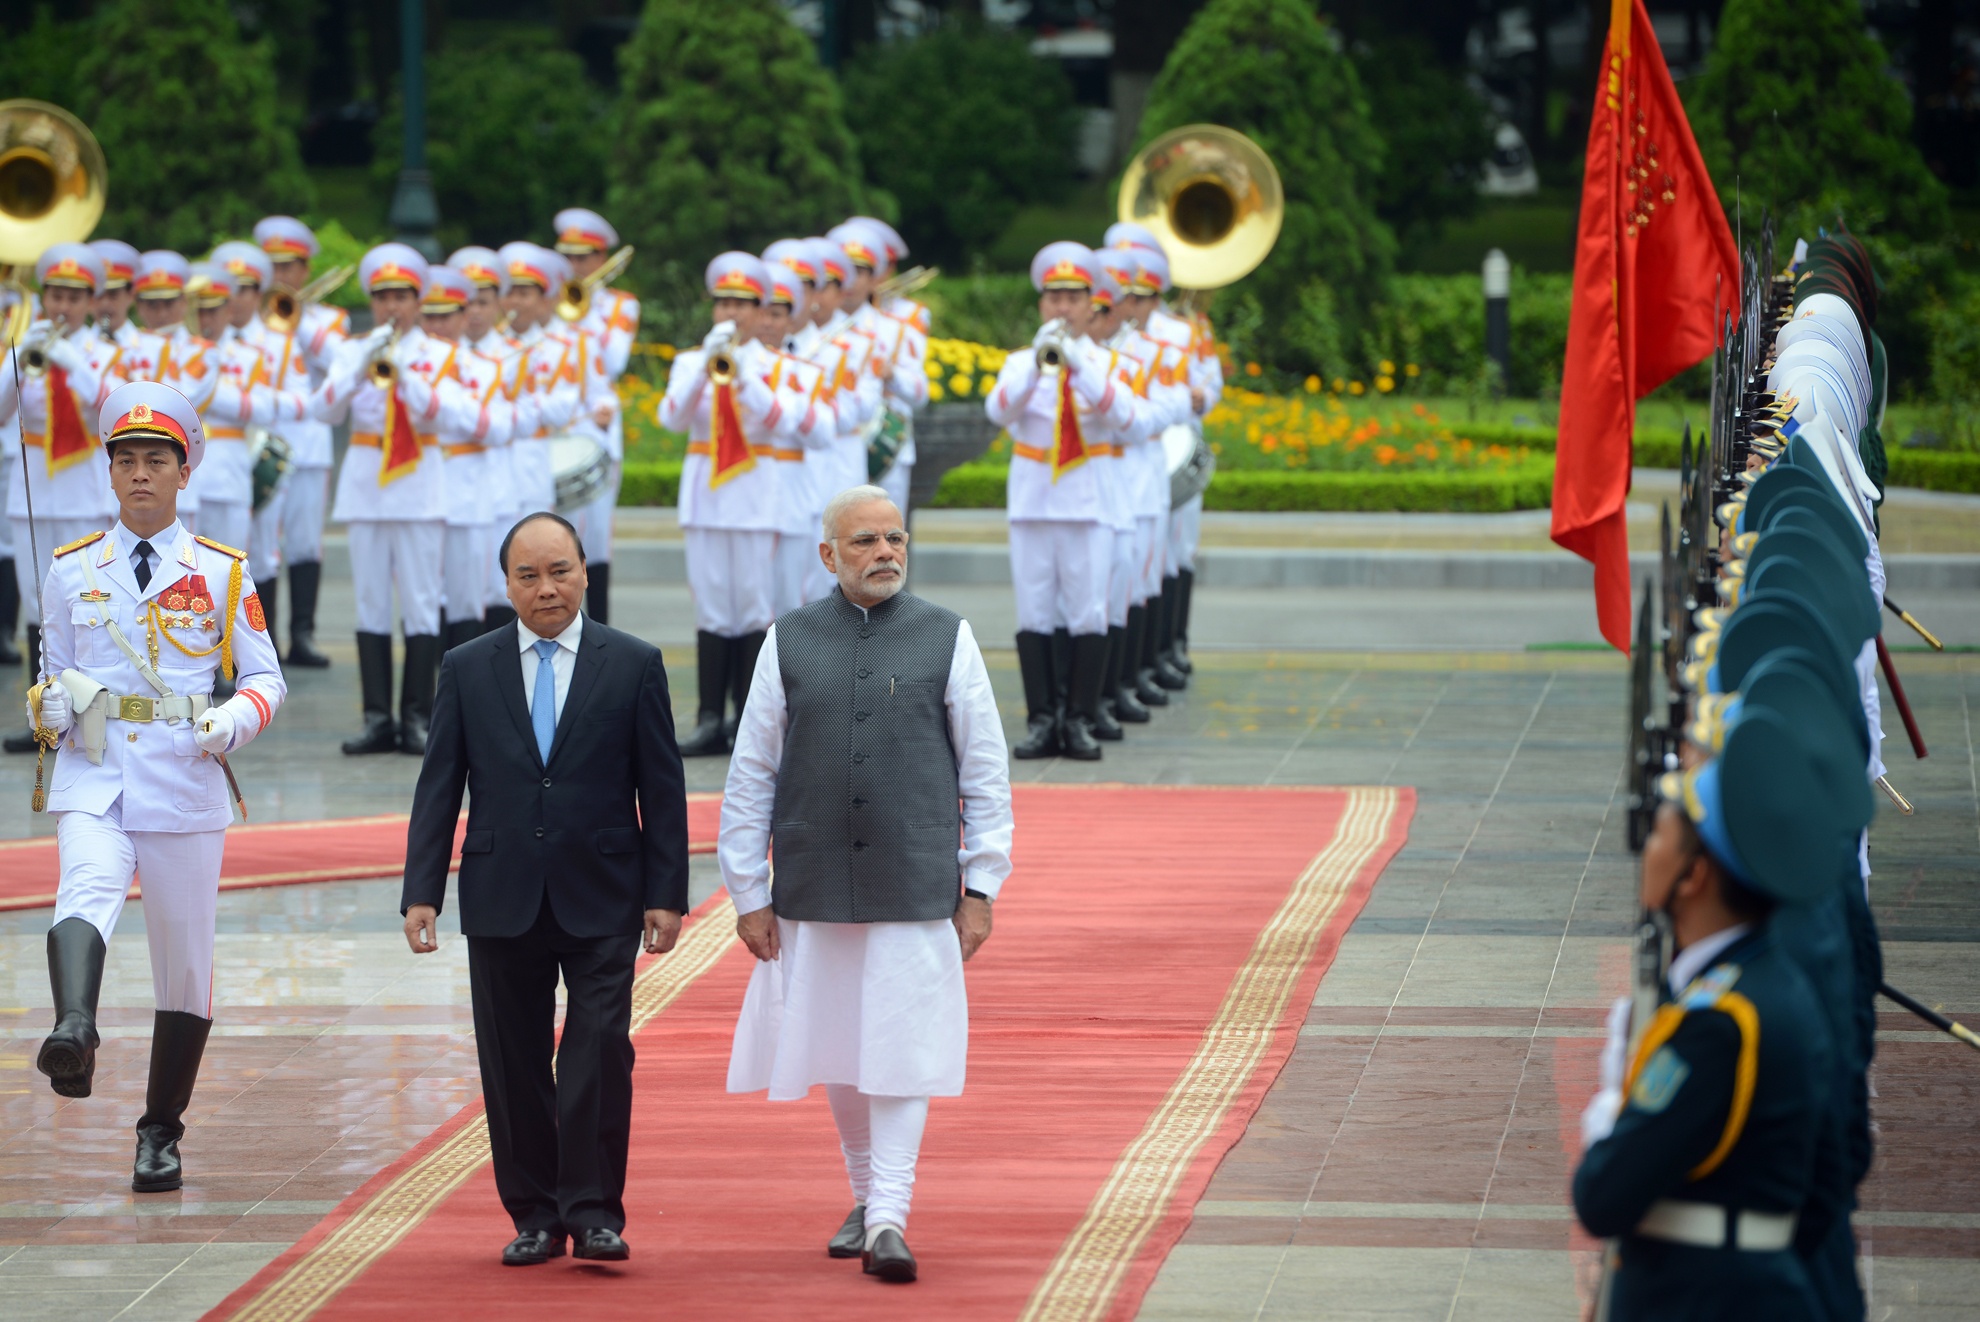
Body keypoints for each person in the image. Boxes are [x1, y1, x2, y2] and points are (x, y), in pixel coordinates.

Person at [721, 485, 1011, 1284]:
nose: (884, 552)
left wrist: (981, 884)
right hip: (813, 877)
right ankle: (864, 1196)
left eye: (894, 538)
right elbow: (752, 773)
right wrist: (747, 891)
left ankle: (889, 1215)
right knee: (839, 1042)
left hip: (915, 879)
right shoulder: (788, 640)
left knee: (901, 1045)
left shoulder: (947, 637)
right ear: (828, 555)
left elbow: (985, 771)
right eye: (864, 542)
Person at [401, 511, 690, 1267]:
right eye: (527, 575)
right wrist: (421, 889)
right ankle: (533, 1213)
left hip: (605, 891)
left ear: (586, 572)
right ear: (506, 585)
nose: (546, 588)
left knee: (597, 1051)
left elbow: (662, 788)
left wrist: (668, 893)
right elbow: (440, 786)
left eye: (559, 570)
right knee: (513, 1060)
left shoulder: (632, 663)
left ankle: (593, 1212)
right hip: (502, 893)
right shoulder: (468, 667)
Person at [27, 380, 286, 1192]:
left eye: (157, 459)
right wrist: (50, 707)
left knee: (184, 960)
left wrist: (233, 721)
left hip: (182, 776)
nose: (140, 472)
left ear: (184, 472)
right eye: (126, 459)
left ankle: (160, 1131)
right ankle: (75, 1027)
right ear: (109, 474)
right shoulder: (71, 570)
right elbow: (48, 680)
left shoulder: (219, 570)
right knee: (84, 888)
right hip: (96, 772)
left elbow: (266, 678)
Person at [1574, 657, 1870, 1320]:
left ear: (1696, 876)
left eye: (1662, 834)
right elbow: (1825, 1186)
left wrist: (1616, 1098)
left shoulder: (1715, 1024)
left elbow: (1601, 1195)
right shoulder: (1771, 983)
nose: (1647, 847)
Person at [311, 244, 478, 756]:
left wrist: (406, 375)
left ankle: (417, 717)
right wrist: (356, 367)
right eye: (382, 297)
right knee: (371, 605)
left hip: (420, 489)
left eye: (401, 296)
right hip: (366, 488)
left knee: (423, 605)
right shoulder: (352, 349)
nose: (391, 307)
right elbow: (324, 410)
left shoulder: (443, 354)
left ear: (417, 301)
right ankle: (377, 717)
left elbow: (459, 417)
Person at [984, 242, 1133, 761]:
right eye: (1053, 297)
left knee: (1089, 611)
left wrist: (1078, 365)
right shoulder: (1018, 362)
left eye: (1073, 297)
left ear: (1092, 303)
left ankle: (1080, 718)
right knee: (1035, 611)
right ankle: (1043, 719)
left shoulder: (1108, 362)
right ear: (1041, 304)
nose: (1062, 307)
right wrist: (1038, 364)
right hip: (1033, 502)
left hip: (1087, 502)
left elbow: (1126, 417)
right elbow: (998, 410)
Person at [657, 252, 793, 756]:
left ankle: (748, 719)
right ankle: (710, 716)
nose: (731, 313)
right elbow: (671, 418)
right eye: (724, 303)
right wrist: (703, 371)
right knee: (713, 607)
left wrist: (741, 376)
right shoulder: (690, 361)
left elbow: (784, 420)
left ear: (761, 312)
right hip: (707, 497)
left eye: (742, 304)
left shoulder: (773, 365)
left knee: (755, 608)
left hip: (756, 494)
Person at [2, 243, 124, 754]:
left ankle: (91, 715)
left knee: (85, 608)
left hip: (83, 495)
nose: (63, 306)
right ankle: (44, 718)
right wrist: (15, 357)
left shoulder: (105, 353)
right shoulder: (25, 343)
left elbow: (111, 405)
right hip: (33, 496)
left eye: (74, 297)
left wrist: (69, 357)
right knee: (38, 609)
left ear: (91, 302)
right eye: (55, 294)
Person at [254, 216, 351, 669]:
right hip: (265, 442)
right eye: (273, 265)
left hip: (308, 445)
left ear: (306, 270)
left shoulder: (328, 319)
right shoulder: (252, 319)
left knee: (305, 542)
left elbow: (340, 365)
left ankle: (304, 635)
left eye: (290, 266)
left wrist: (302, 325)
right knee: (261, 545)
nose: (282, 275)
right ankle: (264, 639)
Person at [418, 265, 514, 650]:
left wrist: (445, 404)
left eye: (447, 315)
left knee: (467, 602)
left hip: (468, 493)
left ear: (461, 317)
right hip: (420, 490)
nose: (438, 324)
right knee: (425, 598)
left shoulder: (483, 368)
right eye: (431, 316)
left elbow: (499, 428)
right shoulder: (408, 366)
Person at [553, 208, 639, 624]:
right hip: (555, 426)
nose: (574, 266)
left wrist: (583, 310)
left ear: (601, 260)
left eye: (583, 258)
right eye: (567, 257)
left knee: (596, 538)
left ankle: (599, 626)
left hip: (597, 428)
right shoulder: (551, 301)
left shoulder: (620, 306)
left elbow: (614, 360)